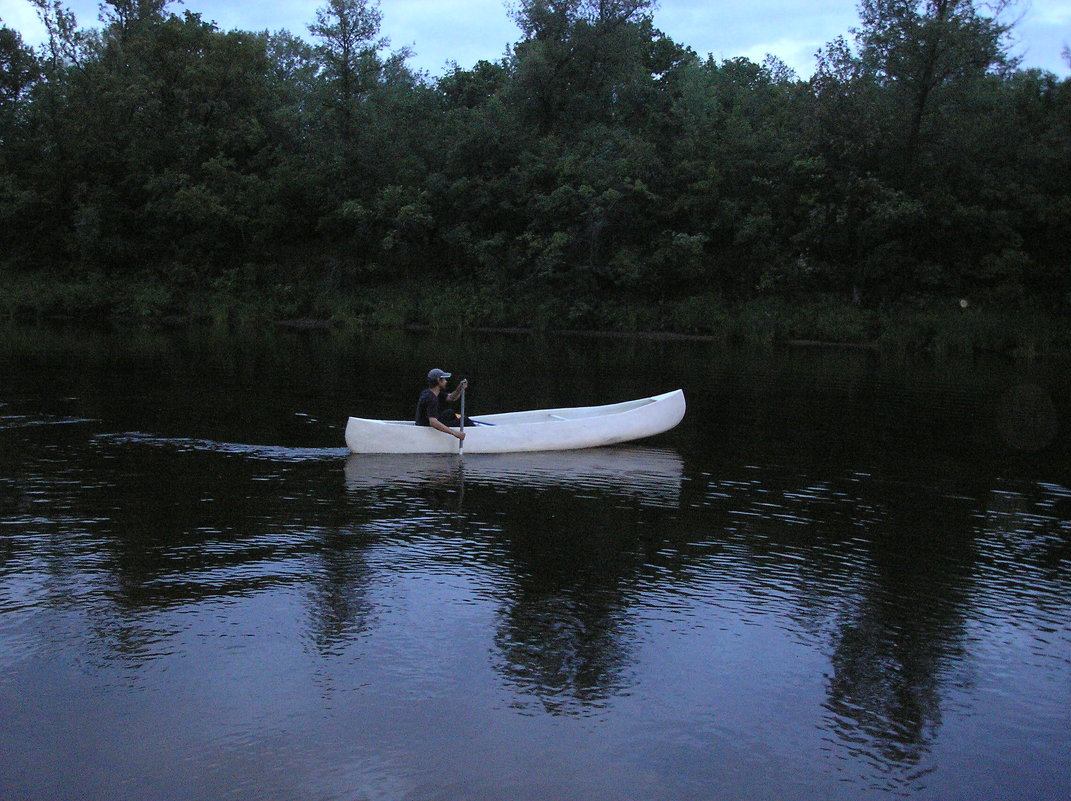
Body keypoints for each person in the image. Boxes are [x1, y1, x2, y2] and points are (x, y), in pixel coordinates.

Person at [415, 368, 469, 442]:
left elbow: (451, 398)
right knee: (465, 420)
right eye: (444, 379)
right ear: (438, 381)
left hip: (427, 423)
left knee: (449, 412)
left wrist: (459, 389)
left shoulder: (432, 392)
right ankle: (475, 432)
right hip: (426, 427)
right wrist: (455, 433)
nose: (446, 381)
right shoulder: (431, 398)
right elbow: (433, 422)